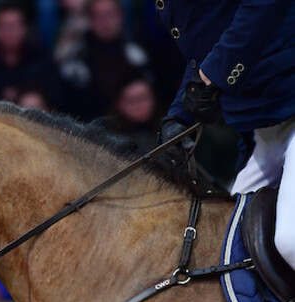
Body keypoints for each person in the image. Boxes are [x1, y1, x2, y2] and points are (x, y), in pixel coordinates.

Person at [157, 1, 295, 274]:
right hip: (262, 131)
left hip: (288, 99)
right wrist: (179, 117)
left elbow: (265, 6)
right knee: (228, 247)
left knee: (290, 241)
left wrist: (217, 76)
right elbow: (208, 45)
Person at [57, 0, 148, 119]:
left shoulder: (138, 51)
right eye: (99, 16)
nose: (105, 22)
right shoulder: (78, 59)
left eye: (110, 14)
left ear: (121, 16)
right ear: (89, 20)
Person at [0, 2, 63, 106]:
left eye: (16, 25)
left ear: (25, 28)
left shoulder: (41, 58)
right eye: (5, 26)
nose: (11, 31)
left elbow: (56, 96)